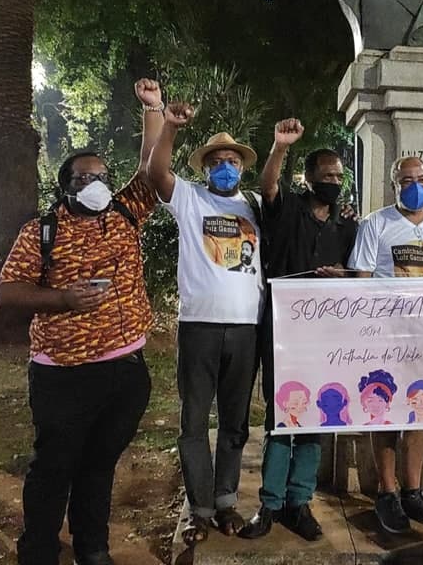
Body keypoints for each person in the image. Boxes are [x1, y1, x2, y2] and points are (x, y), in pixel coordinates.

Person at [0, 78, 164, 565]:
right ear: (64, 186)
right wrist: (63, 299)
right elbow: (6, 292)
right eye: (83, 180)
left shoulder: (126, 214)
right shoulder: (41, 232)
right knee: (54, 467)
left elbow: (150, 169)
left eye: (101, 178)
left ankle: (93, 547)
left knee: (99, 465)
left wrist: (153, 109)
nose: (95, 186)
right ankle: (40, 551)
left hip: (125, 370)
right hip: (61, 372)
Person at [146, 99, 265, 547]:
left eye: (232, 162)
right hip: (198, 326)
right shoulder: (190, 198)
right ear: (206, 168)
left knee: (235, 421)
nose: (225, 168)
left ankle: (227, 499)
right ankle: (199, 507)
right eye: (217, 162)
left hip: (245, 328)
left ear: (242, 168)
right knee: (194, 421)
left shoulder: (253, 205)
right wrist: (170, 127)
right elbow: (157, 174)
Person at [240, 118, 358, 542]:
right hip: (283, 334)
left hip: (327, 339)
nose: (333, 181)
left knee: (317, 420)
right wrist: (279, 146)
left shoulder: (348, 226)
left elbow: (360, 276)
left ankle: (299, 502)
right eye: (326, 175)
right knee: (281, 417)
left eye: (339, 176)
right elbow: (268, 184)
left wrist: (343, 275)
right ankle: (269, 505)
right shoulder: (286, 208)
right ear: (308, 179)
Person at [346, 156, 423, 533]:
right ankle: (387, 492)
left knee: (422, 408)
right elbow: (362, 279)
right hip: (385, 336)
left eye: (420, 178)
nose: (415, 185)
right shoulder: (376, 224)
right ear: (394, 184)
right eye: (407, 179)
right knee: (384, 410)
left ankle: (414, 490)